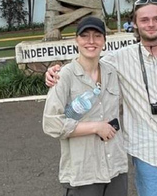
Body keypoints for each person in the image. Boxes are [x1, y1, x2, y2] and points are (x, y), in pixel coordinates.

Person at [47, 0, 157, 196]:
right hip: (149, 156)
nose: (151, 24)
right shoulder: (119, 59)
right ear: (135, 23)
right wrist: (55, 71)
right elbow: (87, 61)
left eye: (156, 19)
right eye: (144, 20)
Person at [43, 16, 128, 196]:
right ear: (76, 40)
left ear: (104, 41)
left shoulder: (112, 72)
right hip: (83, 173)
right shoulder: (64, 76)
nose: (91, 41)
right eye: (85, 36)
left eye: (97, 36)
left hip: (115, 168)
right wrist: (96, 127)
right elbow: (51, 124)